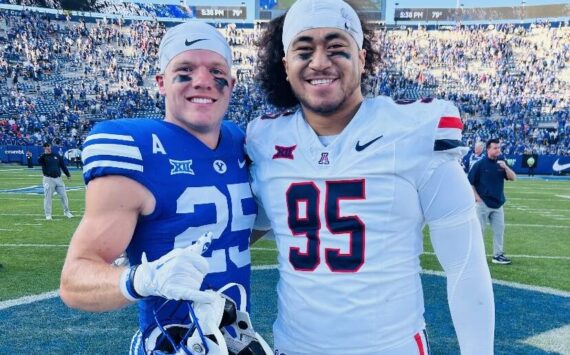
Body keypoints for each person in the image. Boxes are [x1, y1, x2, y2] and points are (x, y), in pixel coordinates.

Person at [248, 0, 494, 354]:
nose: (319, 62)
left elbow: (465, 265)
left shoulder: (412, 132)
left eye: (336, 48)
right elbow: (240, 228)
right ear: (286, 66)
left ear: (362, 58)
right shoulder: (264, 140)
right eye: (304, 50)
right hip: (295, 347)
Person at [60, 22, 264, 354]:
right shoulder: (134, 147)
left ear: (231, 84)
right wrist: (143, 279)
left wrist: (261, 222)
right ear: (161, 82)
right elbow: (73, 281)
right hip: (171, 343)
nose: (202, 80)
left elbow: (230, 233)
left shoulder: (242, 142)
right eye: (185, 70)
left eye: (216, 70)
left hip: (235, 338)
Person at [468, 138, 517, 265]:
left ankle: (498, 255)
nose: (498, 150)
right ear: (488, 149)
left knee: (499, 230)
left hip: (498, 203)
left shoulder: (502, 163)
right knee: (479, 231)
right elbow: (470, 183)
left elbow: (513, 178)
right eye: (495, 148)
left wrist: (506, 167)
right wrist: (477, 198)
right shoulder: (479, 164)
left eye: (499, 148)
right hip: (483, 203)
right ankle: (476, 256)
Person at [38, 142, 73, 220]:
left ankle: (66, 212)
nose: (49, 148)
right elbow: (39, 161)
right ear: (44, 148)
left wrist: (68, 175)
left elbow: (63, 166)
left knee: (64, 196)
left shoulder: (56, 155)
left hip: (58, 178)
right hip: (48, 179)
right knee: (48, 197)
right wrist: (45, 153)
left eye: (49, 147)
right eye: (47, 147)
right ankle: (48, 214)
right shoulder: (43, 157)